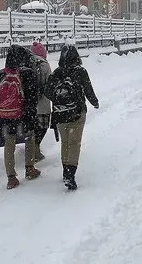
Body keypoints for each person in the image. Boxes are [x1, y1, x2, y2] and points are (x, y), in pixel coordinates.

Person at [45, 45, 99, 190]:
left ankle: (65, 171)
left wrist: (59, 99)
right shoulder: (80, 71)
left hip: (60, 113)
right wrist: (95, 102)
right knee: (74, 143)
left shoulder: (56, 73)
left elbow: (47, 92)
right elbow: (88, 89)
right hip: (77, 112)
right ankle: (70, 174)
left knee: (65, 143)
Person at [0, 44, 42, 190]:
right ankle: (29, 168)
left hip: (6, 116)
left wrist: (7, 105)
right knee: (29, 138)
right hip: (24, 115)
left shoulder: (2, 74)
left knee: (9, 143)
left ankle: (11, 177)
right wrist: (25, 108)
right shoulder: (28, 73)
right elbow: (33, 96)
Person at [30, 41, 52, 162]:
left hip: (30, 103)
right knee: (43, 126)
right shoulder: (44, 65)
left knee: (32, 127)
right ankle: (36, 148)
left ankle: (31, 148)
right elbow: (50, 83)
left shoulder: (26, 63)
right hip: (43, 103)